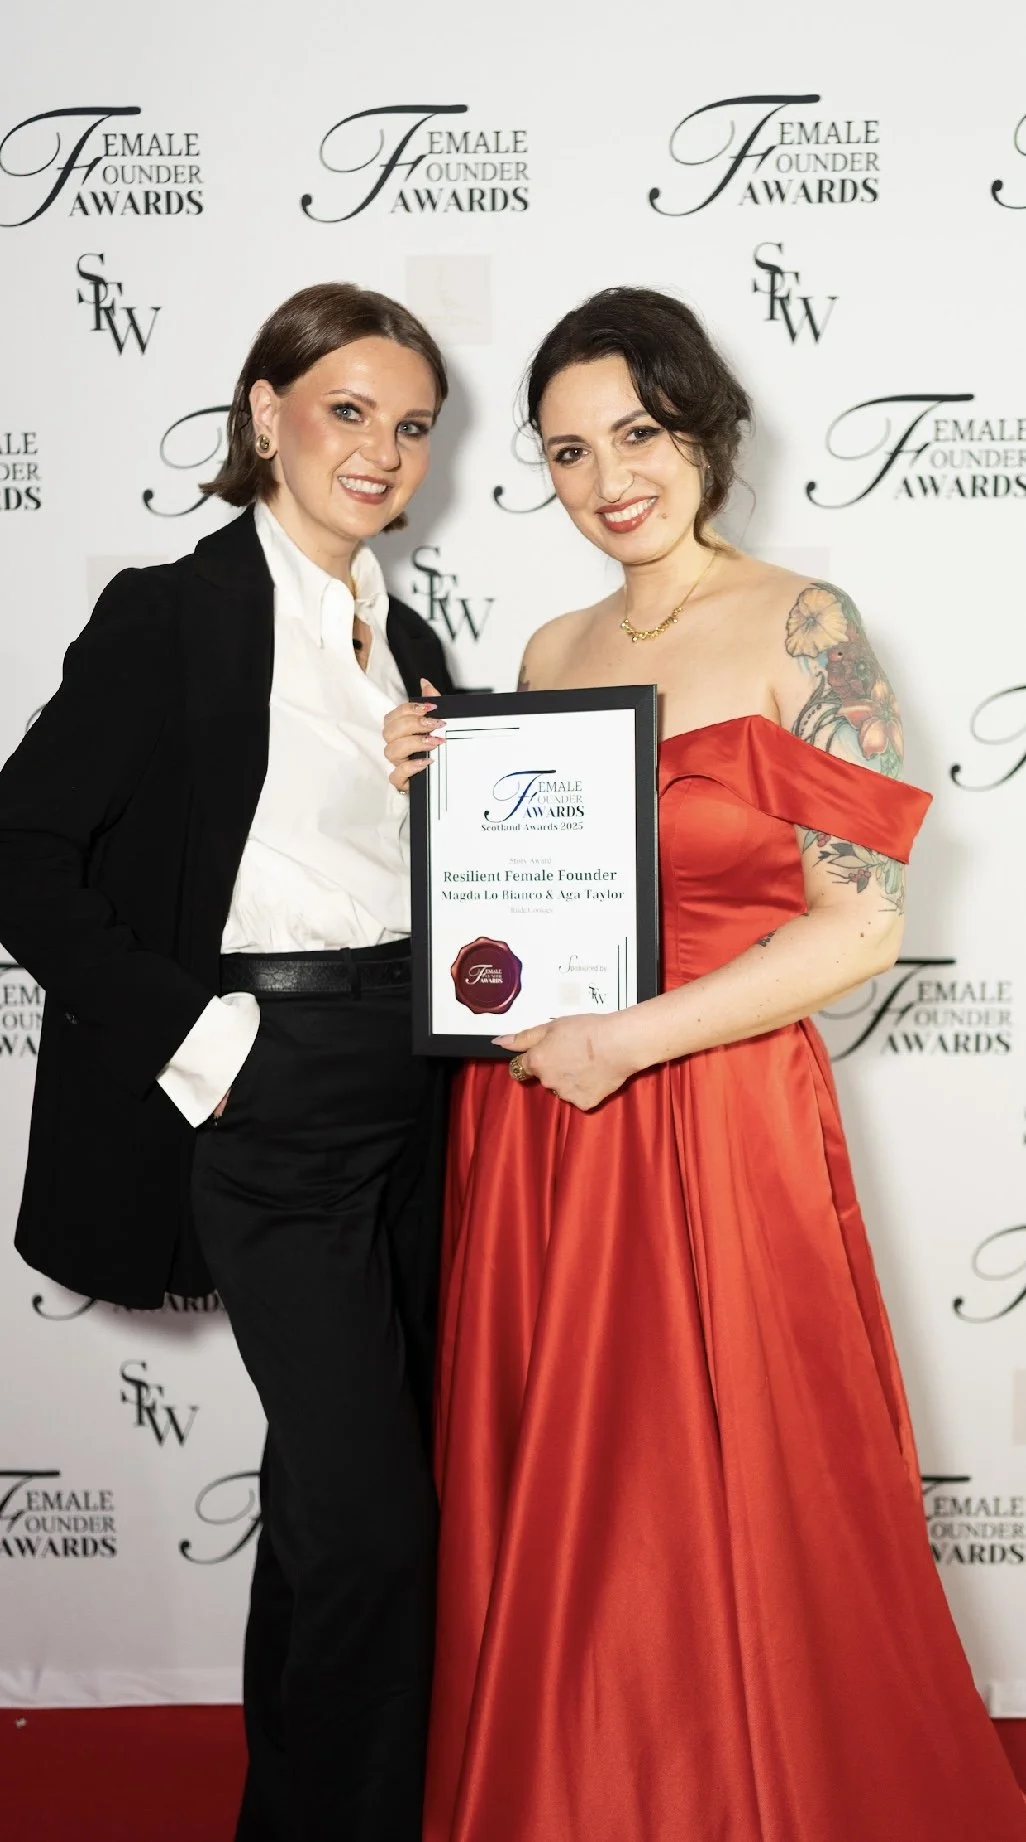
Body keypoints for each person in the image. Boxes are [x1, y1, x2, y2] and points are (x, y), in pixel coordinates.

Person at [385, 287, 1026, 1841]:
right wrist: (432, 785)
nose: (609, 478)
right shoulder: (548, 647)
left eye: (638, 433)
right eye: (567, 451)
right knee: (575, 1506)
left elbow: (861, 923)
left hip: (718, 1113)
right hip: (539, 1130)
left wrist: (626, 1040)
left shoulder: (806, 625)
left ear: (703, 426)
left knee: (732, 1486)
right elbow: (520, 918)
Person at [0, 282, 453, 1842]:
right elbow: (20, 851)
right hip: (270, 1086)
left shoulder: (408, 639)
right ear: (265, 414)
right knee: (378, 1525)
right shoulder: (170, 613)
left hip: (418, 1081)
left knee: (336, 1504)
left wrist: (442, 794)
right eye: (348, 410)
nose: (381, 449)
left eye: (411, 425)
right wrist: (206, 1041)